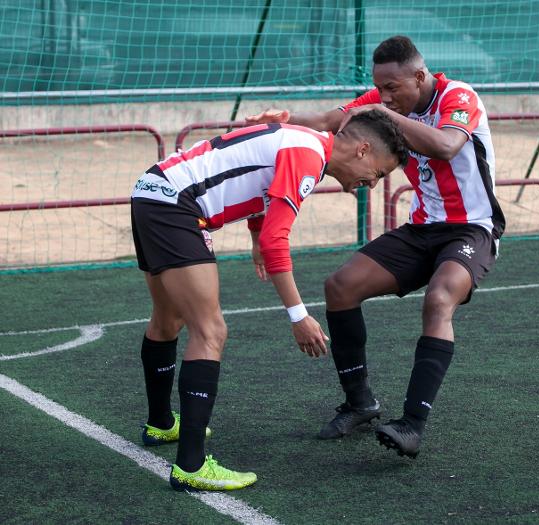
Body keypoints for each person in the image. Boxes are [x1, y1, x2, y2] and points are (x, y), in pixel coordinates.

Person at [246, 35, 506, 458]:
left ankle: (412, 425)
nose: (384, 95)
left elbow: (446, 145)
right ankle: (360, 403)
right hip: (422, 228)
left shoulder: (458, 96)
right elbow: (333, 119)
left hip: (471, 230)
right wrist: (280, 121)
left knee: (439, 300)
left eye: (392, 88)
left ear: (419, 76)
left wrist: (380, 110)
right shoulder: (386, 100)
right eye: (379, 88)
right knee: (340, 287)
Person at [131, 109, 408, 492]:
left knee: (167, 320)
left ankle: (161, 424)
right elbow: (278, 239)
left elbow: (258, 180)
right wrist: (299, 316)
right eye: (379, 174)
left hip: (152, 191)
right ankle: (192, 465)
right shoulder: (308, 156)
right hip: (177, 207)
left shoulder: (304, 143)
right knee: (210, 332)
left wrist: (256, 235)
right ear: (363, 150)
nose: (372, 185)